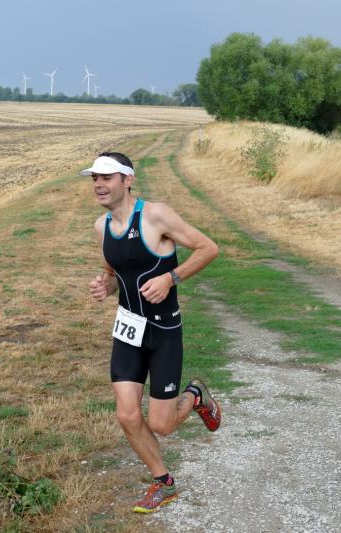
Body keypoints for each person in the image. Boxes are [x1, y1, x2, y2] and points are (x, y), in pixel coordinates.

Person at [85, 152, 221, 513]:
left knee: (162, 424)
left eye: (107, 177)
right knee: (127, 414)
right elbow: (113, 273)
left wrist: (171, 277)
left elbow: (208, 248)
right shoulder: (101, 227)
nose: (99, 184)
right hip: (128, 331)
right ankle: (164, 483)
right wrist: (106, 287)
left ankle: (195, 395)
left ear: (127, 180)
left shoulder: (156, 215)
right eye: (95, 178)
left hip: (163, 332)